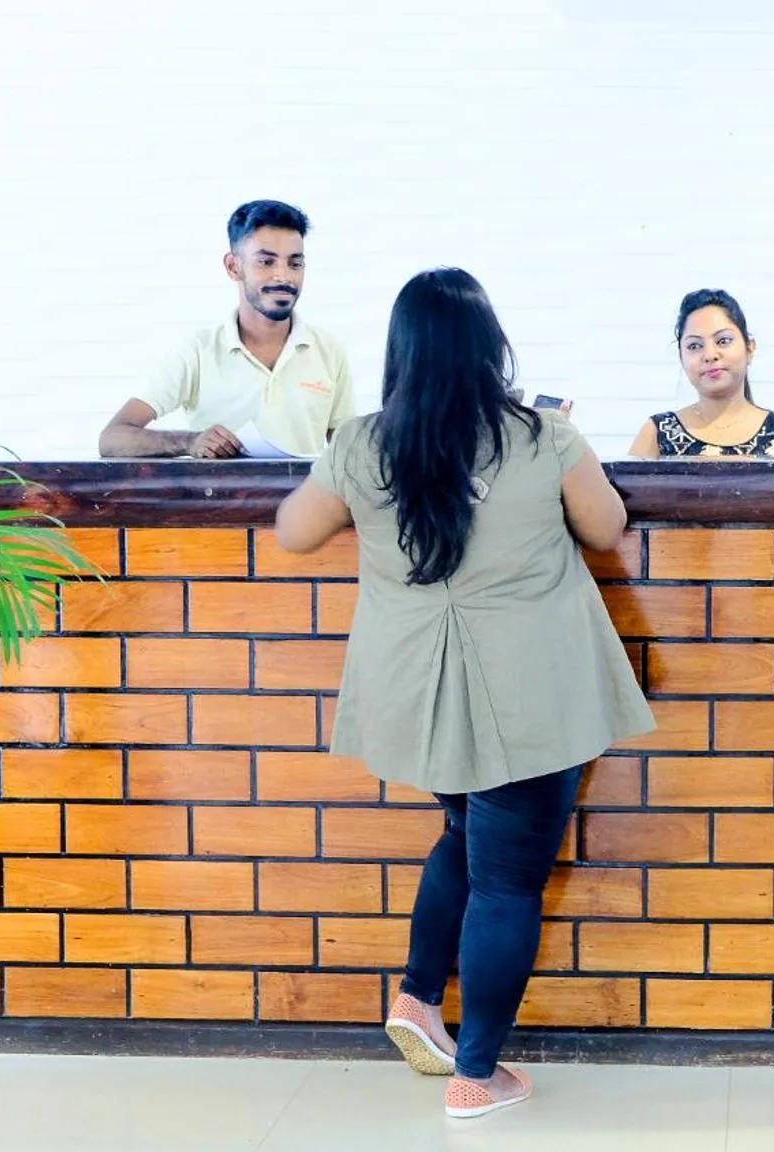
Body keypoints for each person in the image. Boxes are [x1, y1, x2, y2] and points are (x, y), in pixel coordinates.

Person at [275, 268, 654, 1119]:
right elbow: (606, 527)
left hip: (422, 690)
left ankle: (416, 999)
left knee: (462, 832)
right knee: (508, 882)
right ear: (491, 347)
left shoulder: (364, 443)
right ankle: (477, 1076)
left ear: (400, 352)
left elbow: (293, 532)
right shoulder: (543, 436)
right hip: (533, 693)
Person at [99, 200, 354, 458]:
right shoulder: (197, 352)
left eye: (295, 264)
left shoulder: (330, 351)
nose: (284, 276)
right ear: (234, 267)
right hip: (221, 499)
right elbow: (112, 439)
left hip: (307, 498)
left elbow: (349, 453)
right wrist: (190, 442)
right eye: (266, 262)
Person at [627, 288, 774, 458]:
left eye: (723, 341)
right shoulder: (657, 432)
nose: (709, 355)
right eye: (694, 346)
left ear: (750, 348)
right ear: (681, 357)